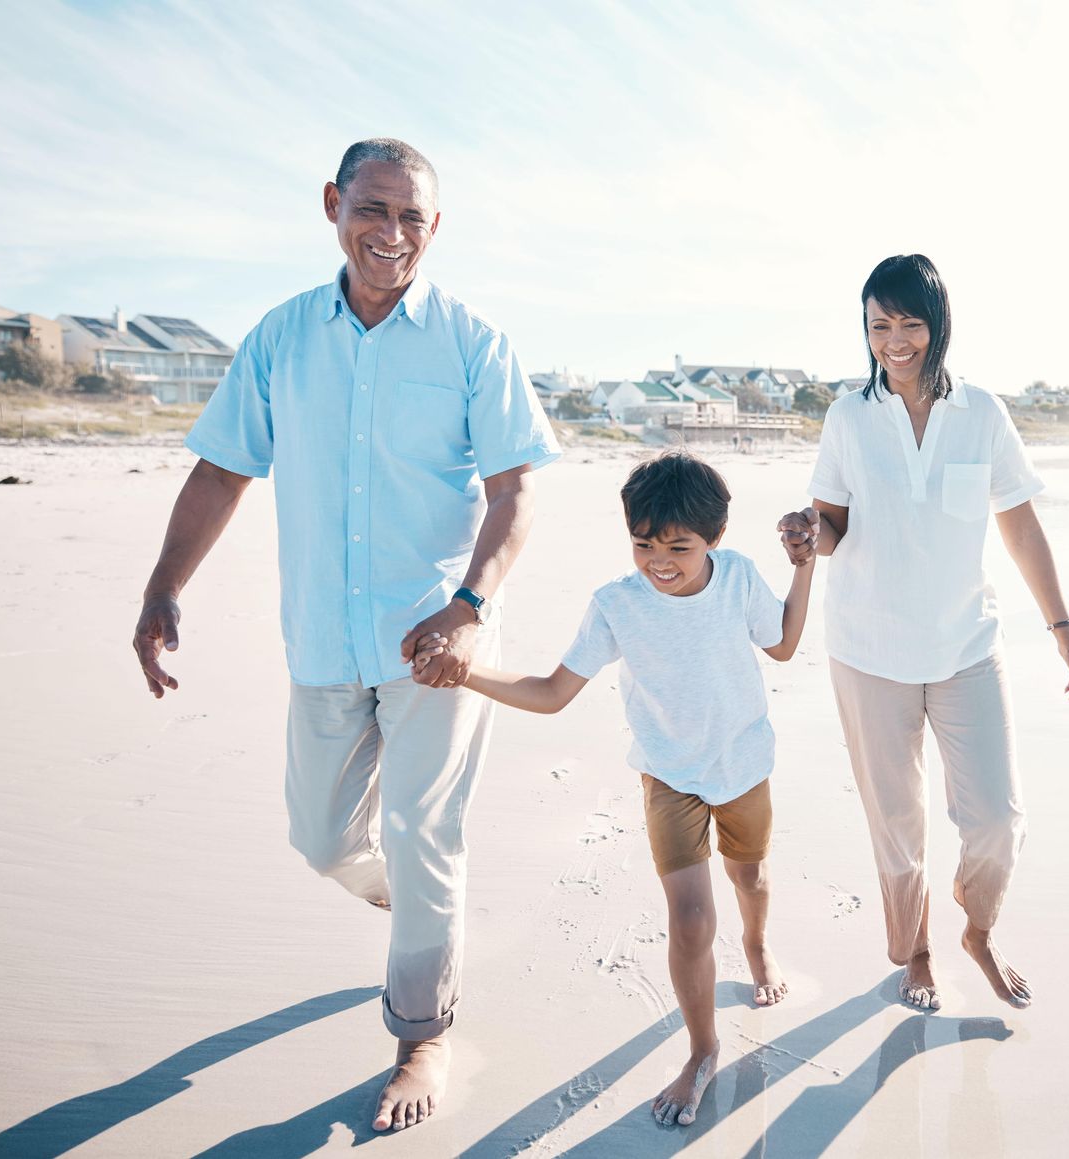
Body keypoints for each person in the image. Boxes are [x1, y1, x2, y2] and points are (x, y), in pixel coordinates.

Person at [128, 138, 560, 1133]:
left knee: (423, 832)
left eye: (414, 218)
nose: (392, 234)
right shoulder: (282, 339)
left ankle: (423, 1032)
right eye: (374, 209)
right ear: (333, 205)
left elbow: (517, 487)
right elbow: (223, 469)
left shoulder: (471, 341)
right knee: (321, 836)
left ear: (435, 230)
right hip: (323, 637)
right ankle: (407, 902)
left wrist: (470, 607)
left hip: (442, 643)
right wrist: (163, 585)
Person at [416, 450, 813, 1128]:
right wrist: (467, 672)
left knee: (749, 877)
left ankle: (757, 943)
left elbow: (780, 645)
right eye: (643, 544)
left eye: (679, 547)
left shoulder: (739, 575)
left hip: (744, 763)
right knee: (690, 918)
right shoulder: (616, 605)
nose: (660, 560)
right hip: (668, 777)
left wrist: (807, 566)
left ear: (713, 538)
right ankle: (702, 1047)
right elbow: (550, 693)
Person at [776, 254, 1069, 1012]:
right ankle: (916, 951)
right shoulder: (847, 416)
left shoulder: (982, 413)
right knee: (897, 823)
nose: (895, 341)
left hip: (966, 647)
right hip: (868, 650)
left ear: (938, 326)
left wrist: (1065, 634)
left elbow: (1020, 525)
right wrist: (807, 534)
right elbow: (832, 525)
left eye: (910, 324)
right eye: (879, 325)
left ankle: (977, 925)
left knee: (998, 817)